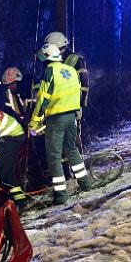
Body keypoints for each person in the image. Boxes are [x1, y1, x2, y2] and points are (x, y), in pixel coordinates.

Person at [27, 43, 90, 205]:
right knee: (72, 149)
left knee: (54, 157)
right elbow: (77, 91)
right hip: (71, 116)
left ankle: (60, 195)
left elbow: (42, 99)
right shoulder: (69, 69)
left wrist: (34, 122)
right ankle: (85, 183)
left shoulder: (49, 72)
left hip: (56, 117)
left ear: (47, 58)